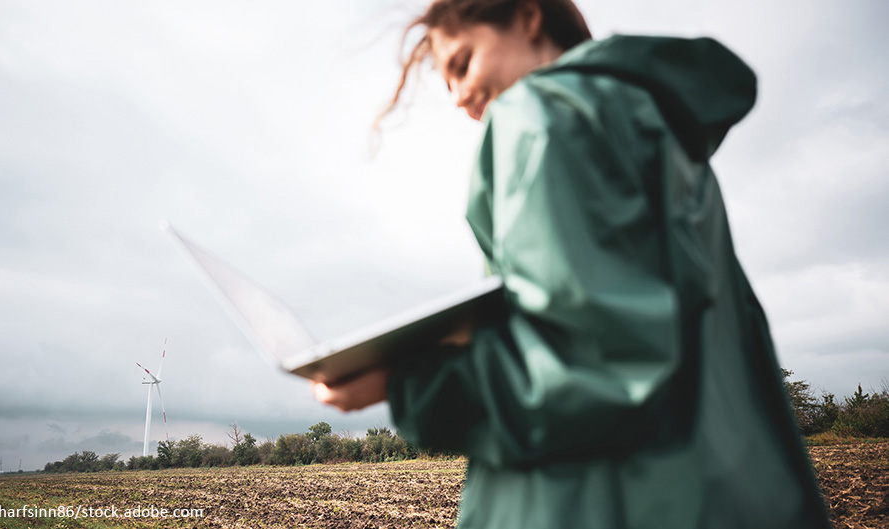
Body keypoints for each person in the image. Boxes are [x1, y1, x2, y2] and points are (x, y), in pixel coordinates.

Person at [313, 0, 832, 527]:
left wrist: (407, 382)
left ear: (527, 17)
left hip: (597, 502)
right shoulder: (667, 139)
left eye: (464, 63)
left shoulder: (539, 114)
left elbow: (592, 361)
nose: (458, 96)